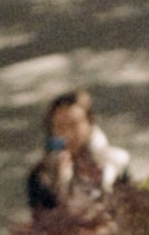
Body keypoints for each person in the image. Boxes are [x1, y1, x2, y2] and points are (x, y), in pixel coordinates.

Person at [24, 87, 132, 220]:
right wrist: (60, 184)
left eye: (74, 125)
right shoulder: (41, 175)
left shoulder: (115, 161)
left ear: (89, 123)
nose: (68, 134)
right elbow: (44, 222)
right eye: (60, 127)